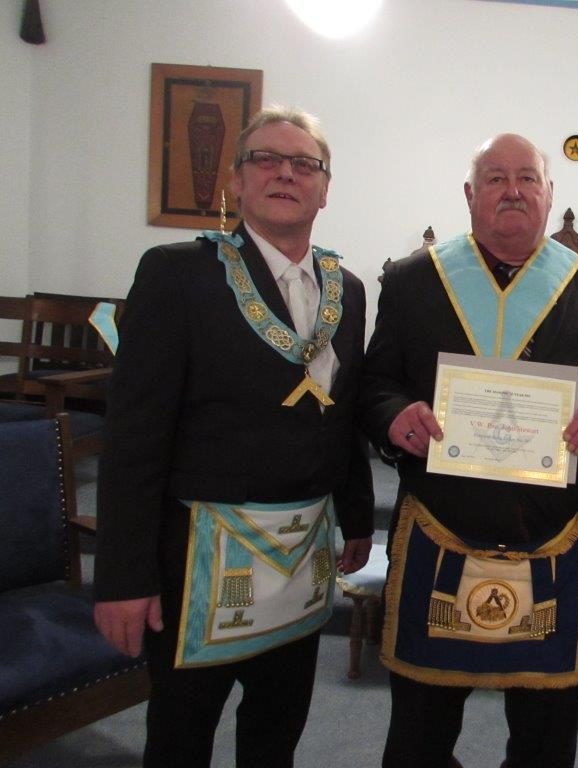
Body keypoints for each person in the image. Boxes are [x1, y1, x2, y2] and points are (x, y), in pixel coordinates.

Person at [92, 106, 374, 768]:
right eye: (266, 160)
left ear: (325, 188)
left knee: (276, 733)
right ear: (236, 182)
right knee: (180, 738)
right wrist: (121, 576)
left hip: (303, 553)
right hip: (199, 556)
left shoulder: (348, 290)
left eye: (304, 164)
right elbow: (133, 436)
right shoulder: (179, 274)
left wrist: (357, 514)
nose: (285, 173)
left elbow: (345, 411)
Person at [359, 133, 578, 768]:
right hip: (440, 523)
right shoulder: (411, 281)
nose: (512, 190)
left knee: (546, 739)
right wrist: (390, 414)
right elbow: (375, 381)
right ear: (469, 194)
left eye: (527, 178)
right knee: (419, 735)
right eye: (494, 178)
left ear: (550, 194)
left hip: (553, 534)